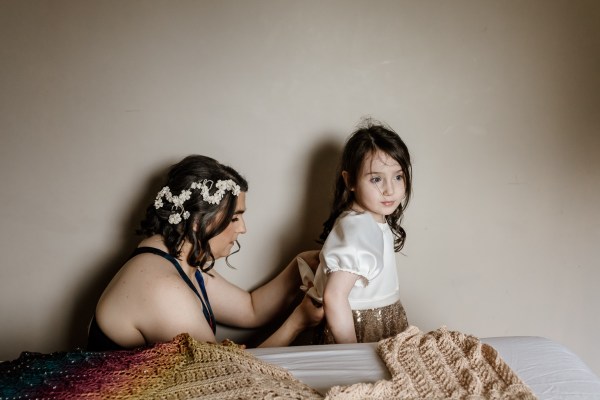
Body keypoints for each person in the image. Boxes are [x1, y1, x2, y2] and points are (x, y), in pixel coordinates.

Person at [87, 155, 324, 351]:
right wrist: (297, 323)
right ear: (197, 222)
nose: (243, 228)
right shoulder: (162, 287)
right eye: (234, 217)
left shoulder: (178, 260)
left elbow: (250, 309)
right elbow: (227, 375)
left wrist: (300, 263)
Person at [299, 121, 412, 344]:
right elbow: (334, 296)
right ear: (350, 181)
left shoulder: (368, 220)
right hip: (362, 326)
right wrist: (352, 352)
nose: (390, 189)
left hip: (381, 316)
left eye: (398, 177)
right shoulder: (359, 228)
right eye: (376, 179)